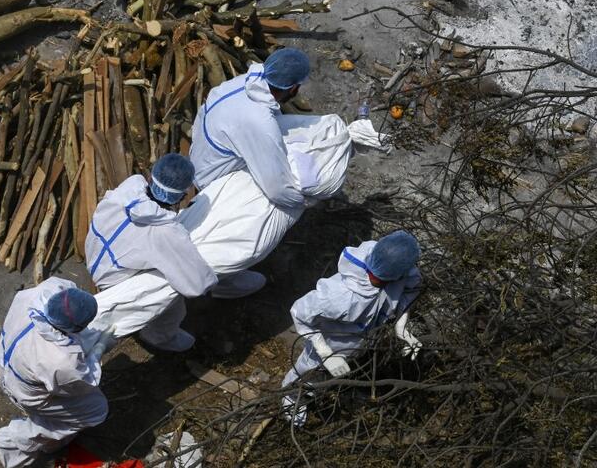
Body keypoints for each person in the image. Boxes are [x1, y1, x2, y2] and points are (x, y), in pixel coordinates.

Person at [281, 230, 423, 426]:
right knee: (310, 370)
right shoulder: (340, 295)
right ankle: (292, 396)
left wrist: (401, 326)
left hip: (360, 341)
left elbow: (411, 288)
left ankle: (321, 385)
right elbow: (300, 313)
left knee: (334, 372)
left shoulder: (397, 271)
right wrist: (326, 353)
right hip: (332, 341)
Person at [85, 153, 218, 352]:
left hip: (94, 255)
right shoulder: (166, 233)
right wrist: (211, 281)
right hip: (114, 280)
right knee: (172, 291)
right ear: (182, 195)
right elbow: (195, 285)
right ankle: (159, 336)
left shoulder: (129, 188)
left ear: (151, 177)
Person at [0, 277, 113, 468]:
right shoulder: (60, 359)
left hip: (9, 363)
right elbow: (81, 385)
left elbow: (70, 294)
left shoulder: (42, 292)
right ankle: (17, 439)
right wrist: (100, 348)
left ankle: (54, 437)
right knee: (96, 410)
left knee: (75, 409)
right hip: (26, 392)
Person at [190, 47, 311, 209]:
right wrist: (303, 202)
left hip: (199, 160)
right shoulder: (259, 121)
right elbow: (277, 191)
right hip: (210, 180)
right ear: (293, 88)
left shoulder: (239, 83)